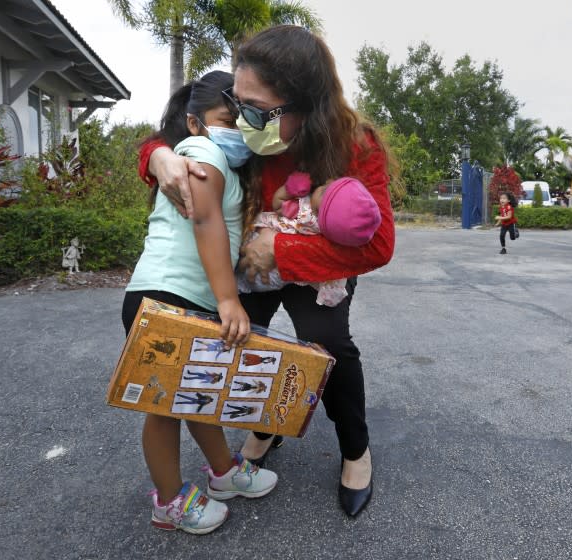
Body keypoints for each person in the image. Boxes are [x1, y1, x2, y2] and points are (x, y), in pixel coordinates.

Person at [138, 25, 395, 517]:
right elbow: (177, 131)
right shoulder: (247, 128)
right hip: (250, 263)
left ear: (305, 105)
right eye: (239, 102)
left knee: (328, 344)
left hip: (319, 264)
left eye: (255, 109)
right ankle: (262, 426)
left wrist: (281, 250)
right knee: (243, 338)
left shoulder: (356, 144)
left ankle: (355, 448)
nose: (241, 118)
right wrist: (159, 156)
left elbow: (379, 244)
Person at [123, 70, 278, 534]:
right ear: (195, 124)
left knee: (198, 394)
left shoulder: (223, 162)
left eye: (243, 120)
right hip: (165, 298)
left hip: (188, 298)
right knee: (165, 406)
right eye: (226, 118)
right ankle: (168, 503)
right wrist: (229, 300)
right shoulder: (202, 152)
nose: (237, 129)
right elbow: (206, 221)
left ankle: (224, 474)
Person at [239, 171, 382, 306]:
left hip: (260, 257)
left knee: (238, 261)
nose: (328, 181)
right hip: (278, 277)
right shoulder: (332, 235)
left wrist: (289, 188)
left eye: (325, 190)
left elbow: (278, 203)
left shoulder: (305, 212)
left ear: (320, 211)